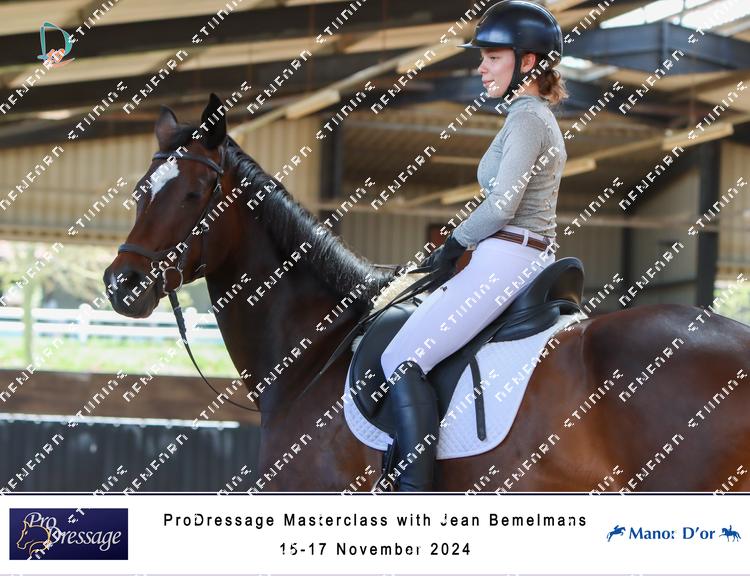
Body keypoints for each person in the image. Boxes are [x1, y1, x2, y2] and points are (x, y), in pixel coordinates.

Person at [379, 0, 569, 491]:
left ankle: (411, 495)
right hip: (515, 253)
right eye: (482, 57)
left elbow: (503, 205)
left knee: (402, 359)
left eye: (493, 57)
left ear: (528, 61)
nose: (481, 67)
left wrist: (453, 243)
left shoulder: (527, 119)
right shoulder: (529, 116)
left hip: (508, 254)